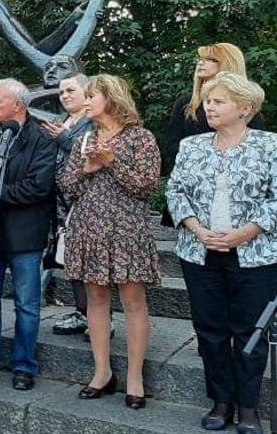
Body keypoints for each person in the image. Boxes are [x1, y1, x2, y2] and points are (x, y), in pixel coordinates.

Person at [166, 72, 277, 434]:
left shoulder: (270, 146)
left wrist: (244, 233)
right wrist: (197, 229)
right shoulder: (193, 146)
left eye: (218, 101)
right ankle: (220, 402)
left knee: (250, 333)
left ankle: (248, 408)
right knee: (209, 331)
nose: (209, 107)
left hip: (255, 255)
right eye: (209, 101)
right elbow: (175, 192)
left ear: (245, 108)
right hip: (200, 253)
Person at [60, 75, 160, 409]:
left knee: (133, 300)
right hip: (89, 227)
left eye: (92, 96)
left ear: (112, 98)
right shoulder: (84, 139)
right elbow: (67, 188)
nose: (85, 102)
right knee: (96, 298)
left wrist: (112, 162)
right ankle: (101, 372)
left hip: (128, 229)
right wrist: (88, 168)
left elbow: (147, 187)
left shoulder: (140, 138)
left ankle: (135, 377)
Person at [0, 79, 55, 391]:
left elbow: (38, 187)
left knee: (27, 304)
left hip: (25, 235)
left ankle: (24, 364)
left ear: (17, 105)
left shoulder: (41, 139)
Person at [41, 73, 99, 337]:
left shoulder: (95, 121)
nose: (64, 96)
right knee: (71, 260)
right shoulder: (62, 121)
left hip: (87, 202)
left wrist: (65, 139)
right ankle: (81, 311)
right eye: (62, 92)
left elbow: (93, 153)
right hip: (61, 203)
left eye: (71, 90)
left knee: (90, 262)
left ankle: (99, 318)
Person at [162, 43, 264, 178]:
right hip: (193, 177)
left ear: (228, 64)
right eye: (201, 58)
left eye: (212, 59)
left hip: (236, 179)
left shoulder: (245, 107)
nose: (201, 62)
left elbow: (257, 150)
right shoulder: (186, 104)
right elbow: (170, 145)